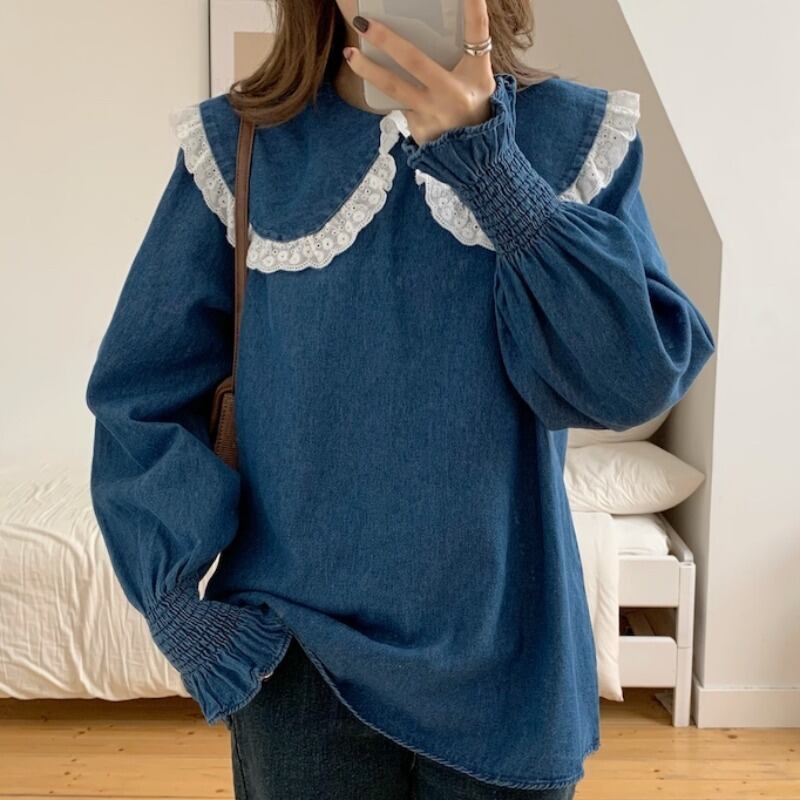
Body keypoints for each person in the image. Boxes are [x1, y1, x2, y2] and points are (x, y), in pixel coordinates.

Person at [84, 0, 716, 797]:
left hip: (510, 666)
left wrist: (492, 167)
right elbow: (143, 394)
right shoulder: (242, 144)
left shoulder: (571, 136)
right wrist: (175, 605)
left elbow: (631, 380)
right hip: (300, 667)